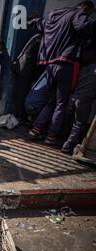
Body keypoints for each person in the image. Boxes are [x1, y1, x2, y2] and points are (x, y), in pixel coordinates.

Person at [27, 1, 94, 146]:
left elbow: (39, 24)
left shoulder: (55, 14)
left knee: (51, 101)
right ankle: (51, 136)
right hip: (67, 63)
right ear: (86, 9)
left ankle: (36, 129)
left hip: (50, 64)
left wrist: (31, 19)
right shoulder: (78, 14)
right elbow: (83, 27)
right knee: (61, 103)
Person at [61, 57, 96, 154]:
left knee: (68, 120)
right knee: (79, 124)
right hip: (84, 100)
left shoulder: (85, 68)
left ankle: (61, 139)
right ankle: (67, 146)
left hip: (73, 97)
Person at [12, 33, 43, 120]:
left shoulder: (37, 37)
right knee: (22, 93)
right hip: (26, 69)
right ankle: (18, 115)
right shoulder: (40, 39)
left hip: (23, 67)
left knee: (21, 93)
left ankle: (19, 114)